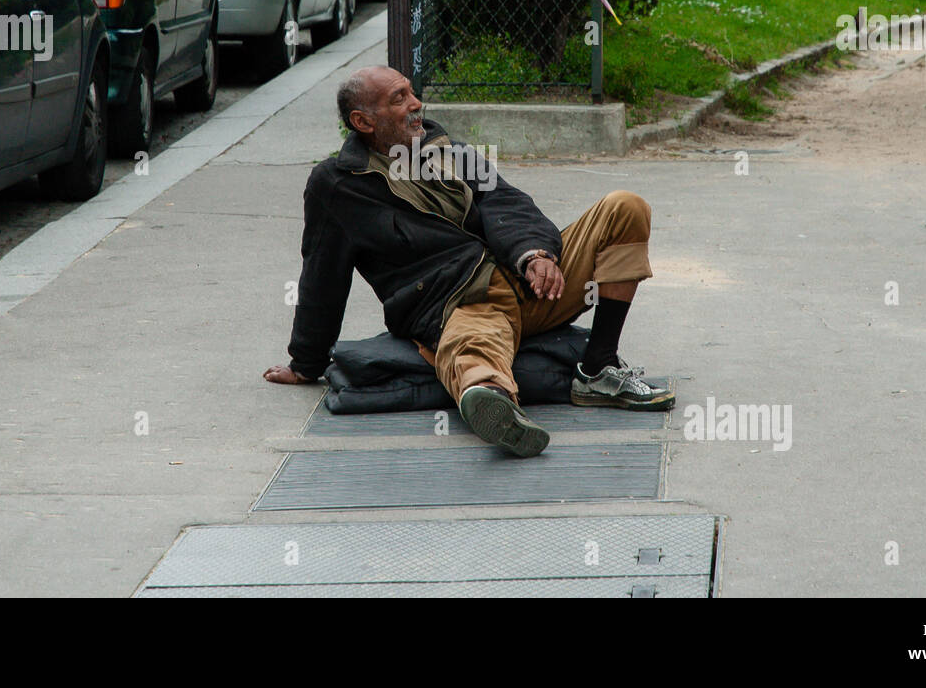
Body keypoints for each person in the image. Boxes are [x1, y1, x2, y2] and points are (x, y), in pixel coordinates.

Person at [264, 67, 674, 458]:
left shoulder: (447, 150)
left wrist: (535, 253)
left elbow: (507, 202)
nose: (416, 103)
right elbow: (321, 274)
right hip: (462, 301)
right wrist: (306, 362)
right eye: (399, 98)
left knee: (625, 207)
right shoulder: (336, 184)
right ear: (363, 121)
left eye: (411, 92)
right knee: (475, 357)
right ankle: (496, 408)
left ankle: (598, 369)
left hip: (531, 280)